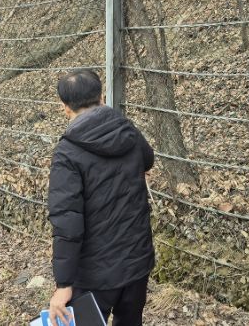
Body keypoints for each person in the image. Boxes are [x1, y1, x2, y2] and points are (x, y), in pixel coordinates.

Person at [48, 70, 155, 326]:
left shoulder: (67, 153)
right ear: (102, 97)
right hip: (136, 261)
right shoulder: (127, 130)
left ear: (65, 107)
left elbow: (67, 222)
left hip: (94, 274)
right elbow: (147, 159)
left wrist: (64, 284)